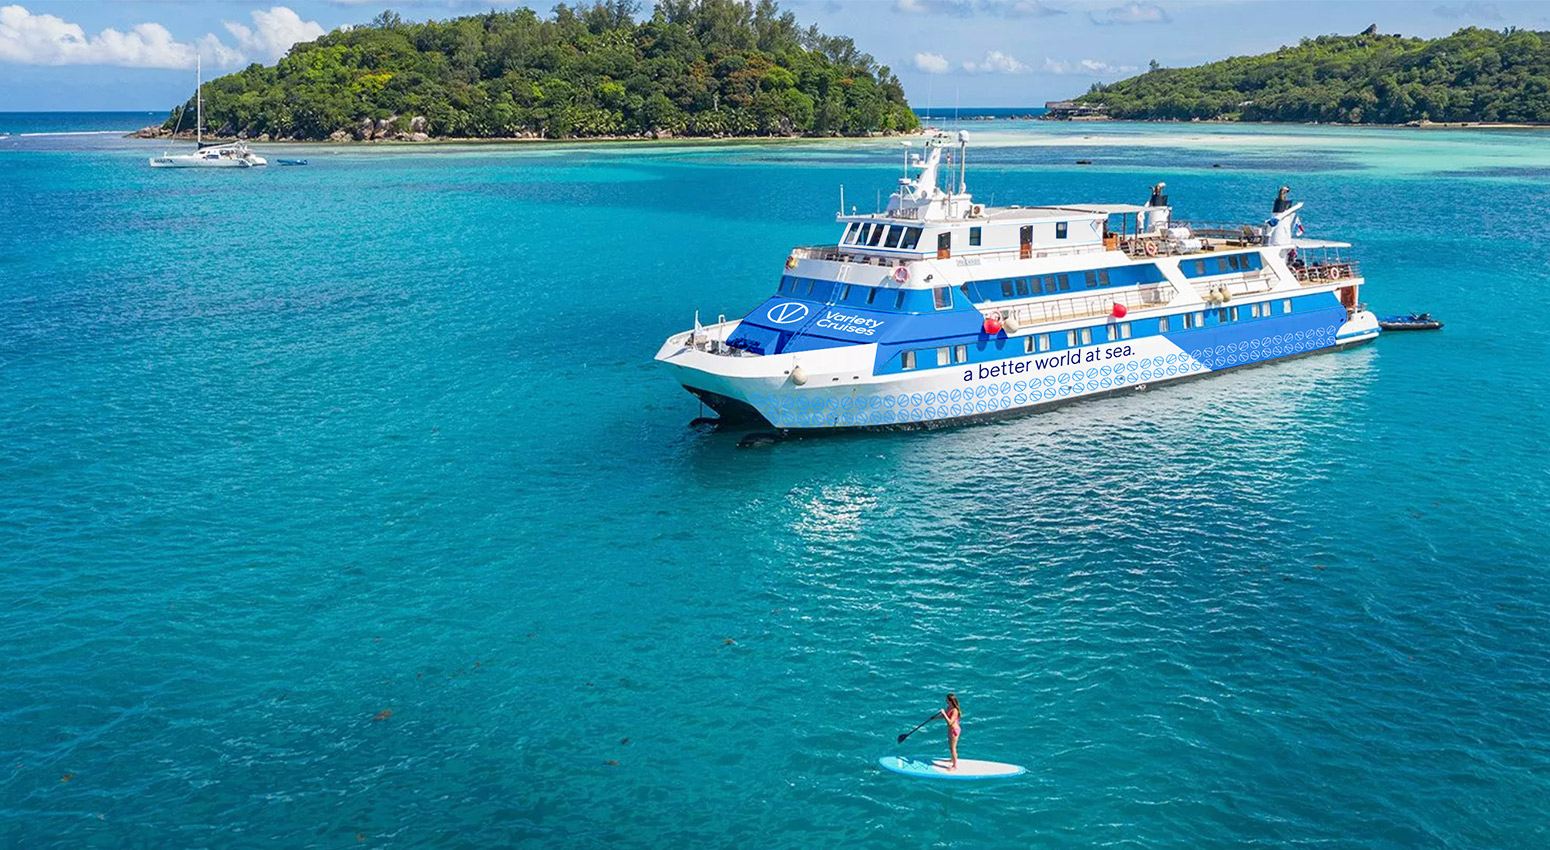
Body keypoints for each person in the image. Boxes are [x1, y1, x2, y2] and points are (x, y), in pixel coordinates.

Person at [940, 693, 962, 770]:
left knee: (953, 748)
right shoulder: (949, 707)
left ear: (950, 701)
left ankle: (955, 766)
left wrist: (943, 713)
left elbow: (950, 722)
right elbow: (944, 716)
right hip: (950, 730)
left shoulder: (955, 710)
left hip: (954, 731)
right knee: (950, 747)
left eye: (947, 699)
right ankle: (952, 759)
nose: (945, 700)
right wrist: (934, 718)